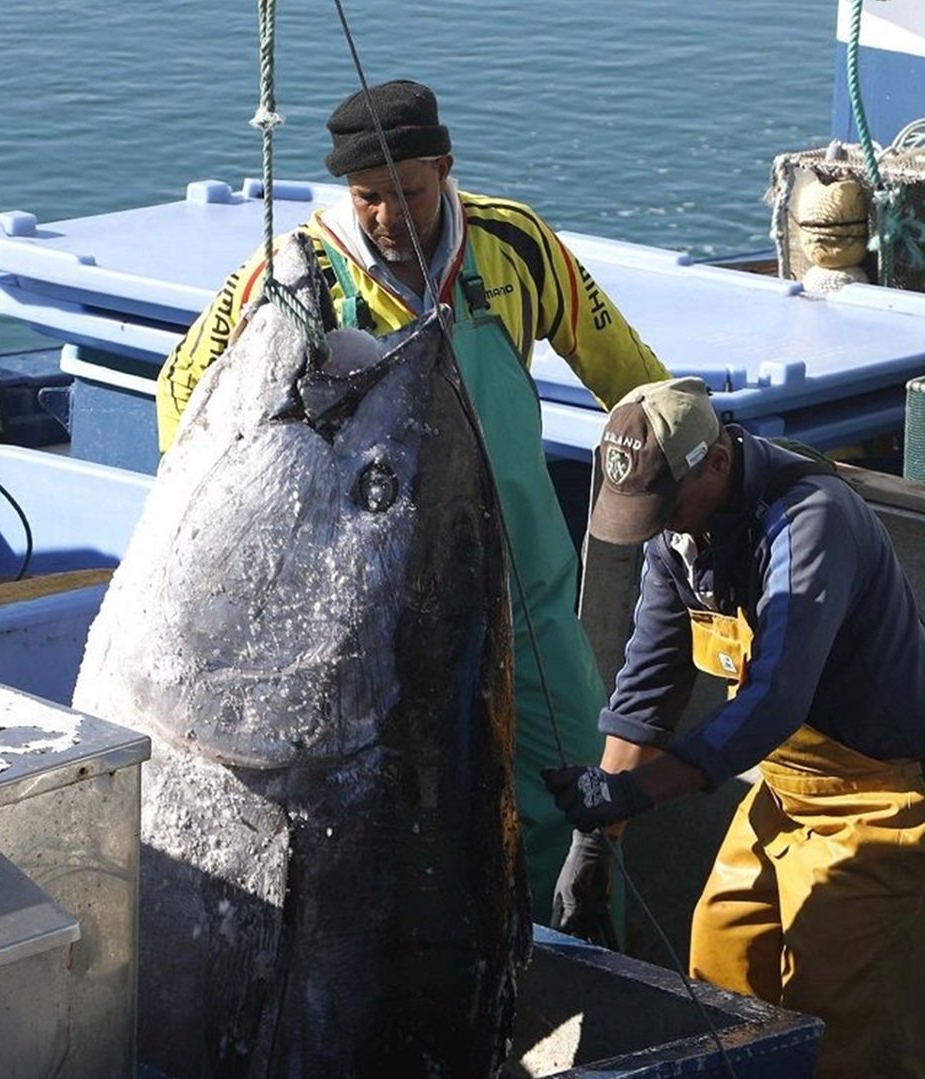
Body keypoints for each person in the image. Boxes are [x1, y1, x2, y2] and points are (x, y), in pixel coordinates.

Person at [156, 79, 669, 920]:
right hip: (371, 604)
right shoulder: (292, 276)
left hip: (523, 582)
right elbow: (182, 396)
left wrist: (697, 472)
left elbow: (629, 376)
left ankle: (586, 969)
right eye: (368, 198)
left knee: (579, 781)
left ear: (445, 167)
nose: (389, 216)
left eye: (408, 192)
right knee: (394, 812)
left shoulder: (516, 244)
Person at [543, 376, 925, 1079]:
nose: (658, 524)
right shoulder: (676, 530)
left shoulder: (809, 518)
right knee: (721, 968)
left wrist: (635, 800)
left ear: (714, 460)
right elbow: (648, 683)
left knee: (845, 1037)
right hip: (788, 787)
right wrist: (591, 842)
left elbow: (775, 698)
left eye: (666, 502)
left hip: (889, 798)